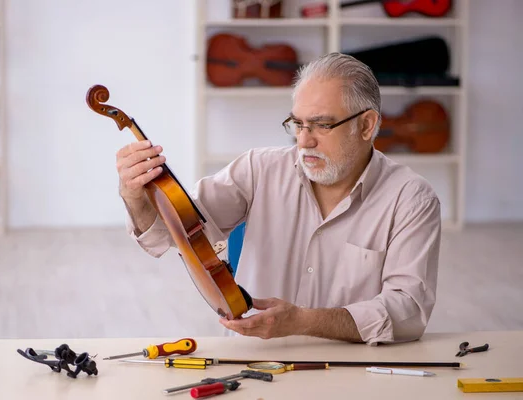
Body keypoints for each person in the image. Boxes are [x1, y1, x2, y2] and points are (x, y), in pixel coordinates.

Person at [116, 52, 441, 346]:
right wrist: (135, 195)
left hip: (352, 369)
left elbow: (408, 312)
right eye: (297, 124)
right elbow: (168, 234)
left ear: (366, 125)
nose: (304, 140)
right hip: (250, 363)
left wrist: (304, 322)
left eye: (322, 125)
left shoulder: (412, 198)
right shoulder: (258, 168)